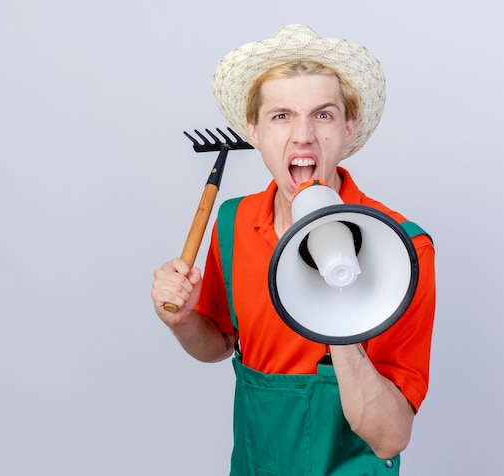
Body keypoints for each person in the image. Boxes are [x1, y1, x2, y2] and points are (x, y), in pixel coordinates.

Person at [151, 24, 436, 475]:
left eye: (322, 115)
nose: (302, 136)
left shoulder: (404, 248)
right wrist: (184, 321)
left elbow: (391, 437)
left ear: (347, 127)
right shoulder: (232, 222)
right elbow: (219, 343)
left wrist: (337, 322)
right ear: (254, 131)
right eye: (281, 116)